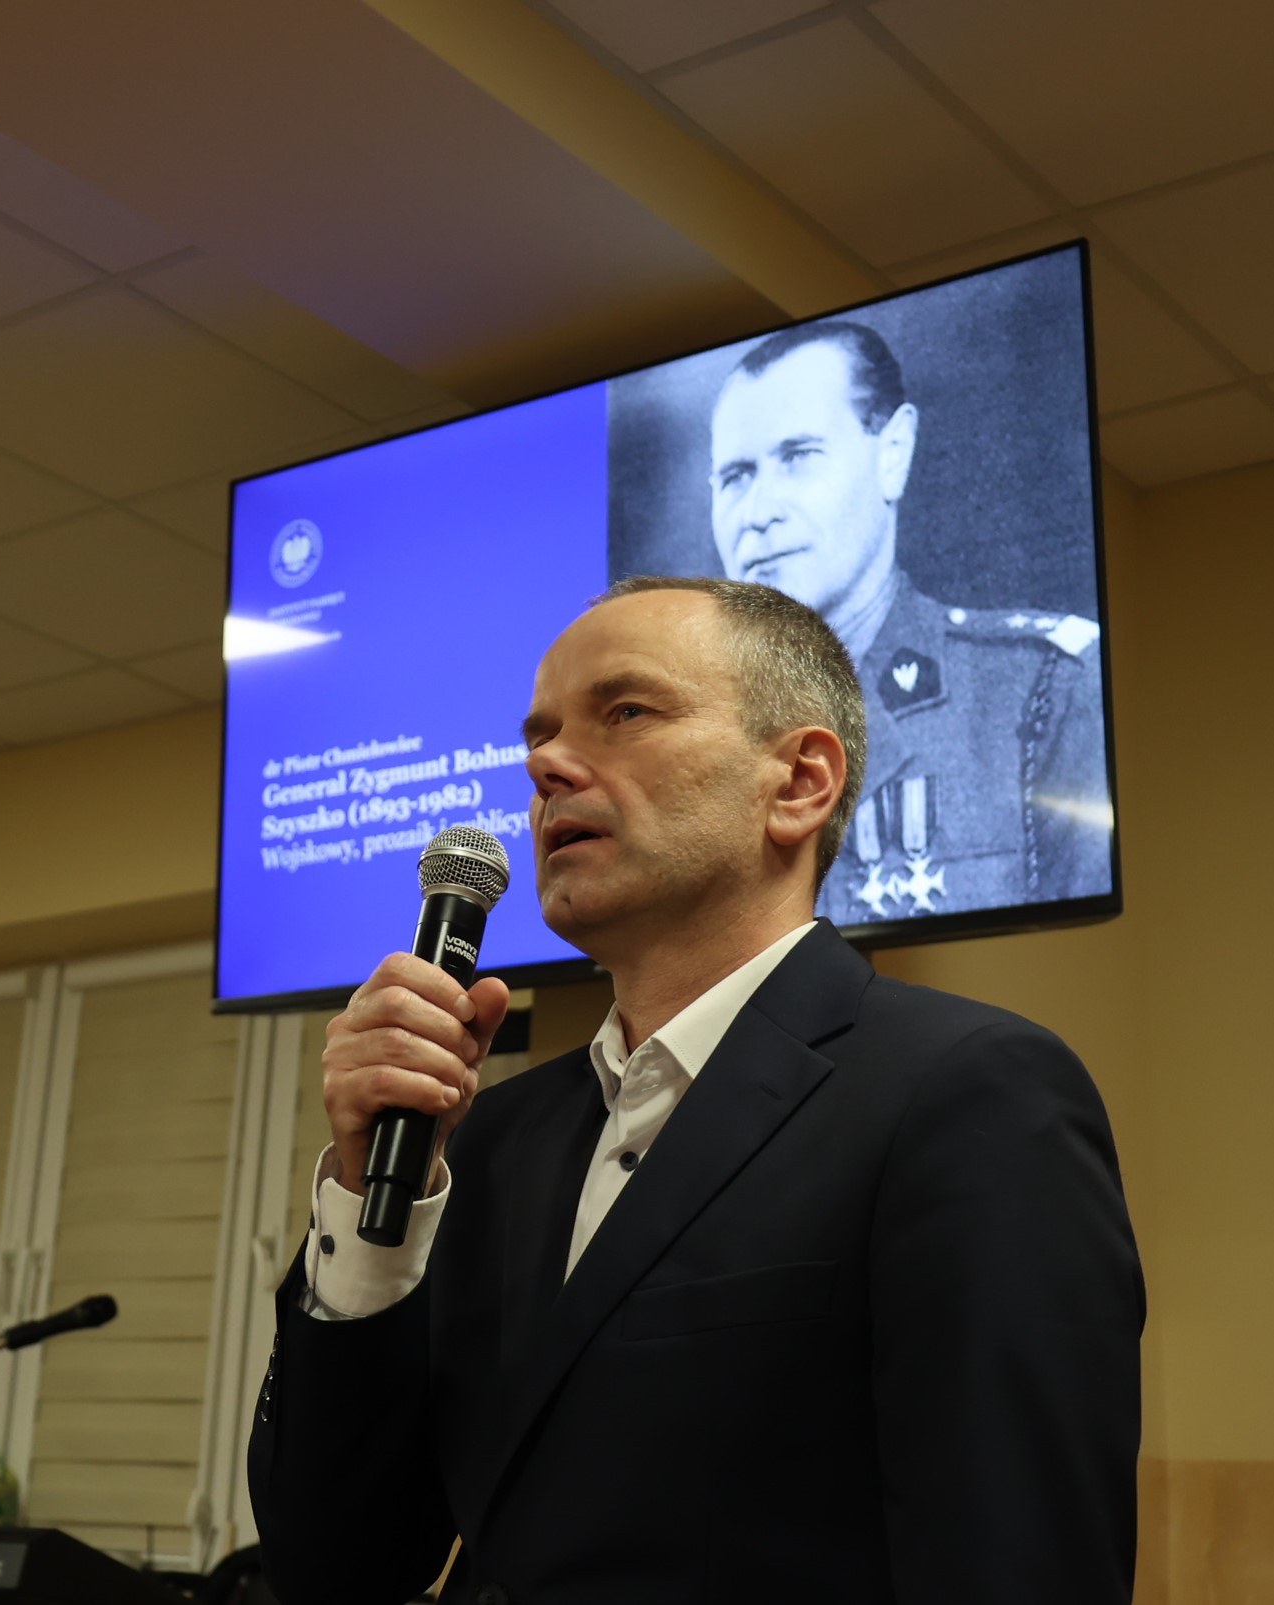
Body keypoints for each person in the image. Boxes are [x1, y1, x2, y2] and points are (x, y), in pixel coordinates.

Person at [247, 576, 1142, 1603]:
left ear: (798, 782)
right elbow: (338, 1566)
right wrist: (370, 1208)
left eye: (626, 711)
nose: (544, 765)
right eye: (538, 736)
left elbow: (1017, 1565)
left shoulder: (970, 1095)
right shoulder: (494, 1138)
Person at [705, 321, 1111, 925]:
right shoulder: (690, 732)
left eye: (799, 457)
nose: (759, 512)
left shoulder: (1042, 687)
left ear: (893, 453)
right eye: (736, 476)